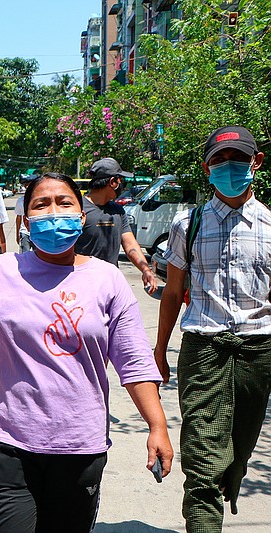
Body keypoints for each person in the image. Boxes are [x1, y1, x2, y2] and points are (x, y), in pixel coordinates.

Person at [0, 168, 174, 532]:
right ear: (24, 220)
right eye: (42, 205)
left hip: (80, 447)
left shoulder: (108, 279)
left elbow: (133, 363)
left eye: (64, 203)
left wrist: (158, 425)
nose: (54, 212)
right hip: (12, 444)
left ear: (81, 216)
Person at [154, 125, 271, 533]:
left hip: (260, 352)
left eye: (237, 158)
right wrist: (159, 351)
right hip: (203, 348)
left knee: (237, 451)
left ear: (256, 162)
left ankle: (231, 473)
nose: (228, 166)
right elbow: (172, 292)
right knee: (203, 458)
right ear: (206, 169)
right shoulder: (189, 224)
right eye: (218, 160)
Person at [75, 157, 158, 293]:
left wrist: (146, 270)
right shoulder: (78, 210)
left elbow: (130, 244)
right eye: (120, 180)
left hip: (110, 285)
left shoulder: (118, 211)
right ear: (113, 182)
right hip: (82, 287)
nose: (122, 185)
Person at [14, 176, 35, 254]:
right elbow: (18, 218)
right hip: (24, 232)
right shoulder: (20, 201)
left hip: (36, 232)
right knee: (24, 255)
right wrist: (17, 234)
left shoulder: (39, 200)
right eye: (26, 185)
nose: (28, 187)